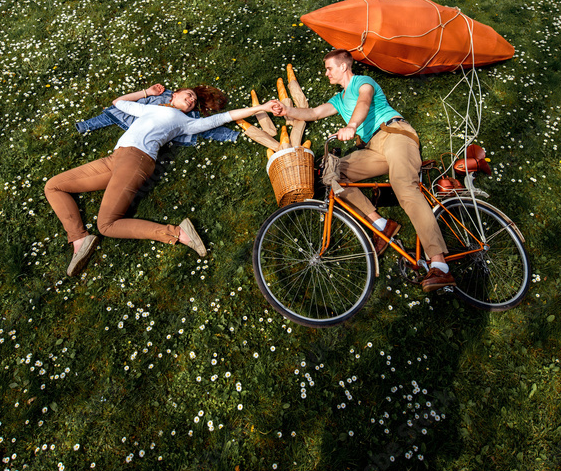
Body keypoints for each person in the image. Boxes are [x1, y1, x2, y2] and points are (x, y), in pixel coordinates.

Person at [45, 83, 277, 276]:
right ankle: (79, 238)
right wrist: (147, 93)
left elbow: (222, 118)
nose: (191, 100)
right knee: (53, 186)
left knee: (106, 225)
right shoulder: (151, 109)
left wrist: (262, 107)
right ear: (173, 95)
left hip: (137, 160)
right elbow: (119, 103)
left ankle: (177, 233)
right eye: (188, 94)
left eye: (194, 101)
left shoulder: (186, 122)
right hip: (115, 159)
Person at [272, 50, 455, 292]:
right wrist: (287, 112)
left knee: (405, 189)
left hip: (395, 134)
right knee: (332, 173)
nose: (326, 73)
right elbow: (314, 113)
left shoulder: (363, 83)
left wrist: (351, 125)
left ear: (344, 67)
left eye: (329, 68)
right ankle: (380, 224)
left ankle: (440, 265)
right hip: (373, 148)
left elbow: (364, 102)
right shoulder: (338, 99)